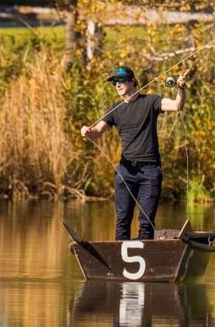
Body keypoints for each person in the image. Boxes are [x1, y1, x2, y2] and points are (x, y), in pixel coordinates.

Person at [80, 65, 188, 240]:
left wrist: (181, 89)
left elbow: (177, 106)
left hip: (150, 172)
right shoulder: (115, 110)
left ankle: (145, 261)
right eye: (114, 82)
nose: (117, 85)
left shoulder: (150, 101)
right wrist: (86, 132)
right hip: (125, 172)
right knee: (122, 220)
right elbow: (97, 132)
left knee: (146, 222)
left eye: (120, 80)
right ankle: (118, 262)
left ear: (132, 81)